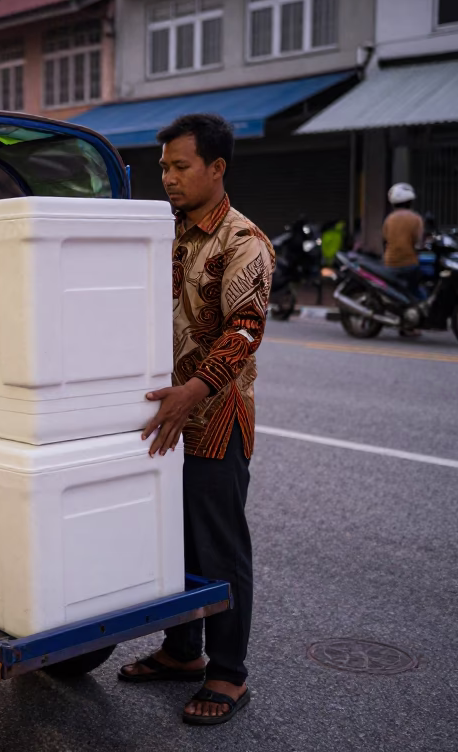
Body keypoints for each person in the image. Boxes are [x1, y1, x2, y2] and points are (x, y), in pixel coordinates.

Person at [117, 113, 273, 727]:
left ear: (217, 167)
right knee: (169, 536)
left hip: (212, 419)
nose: (170, 179)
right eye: (164, 168)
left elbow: (246, 329)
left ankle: (228, 673)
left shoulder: (244, 241)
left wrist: (194, 390)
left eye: (181, 167)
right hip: (162, 413)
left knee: (219, 547)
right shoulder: (163, 232)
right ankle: (182, 650)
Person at [382, 182, 424, 297]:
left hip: (390, 264)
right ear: (410, 201)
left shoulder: (389, 219)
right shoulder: (416, 219)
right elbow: (418, 242)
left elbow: (385, 239)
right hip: (410, 264)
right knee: (417, 290)